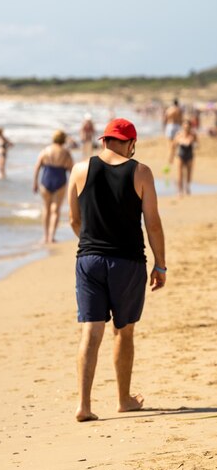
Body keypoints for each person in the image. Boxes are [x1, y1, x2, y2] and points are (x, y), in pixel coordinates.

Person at [68, 118, 166, 422]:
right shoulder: (141, 172)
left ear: (104, 141)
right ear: (131, 143)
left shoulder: (80, 169)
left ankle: (83, 405)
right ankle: (123, 400)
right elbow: (152, 222)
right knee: (123, 331)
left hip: (89, 261)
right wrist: (160, 264)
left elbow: (73, 220)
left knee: (91, 331)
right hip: (128, 262)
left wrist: (94, 242)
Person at [33, 130, 74, 243]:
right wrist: (73, 186)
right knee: (56, 210)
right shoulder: (66, 152)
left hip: (46, 179)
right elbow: (72, 169)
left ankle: (45, 236)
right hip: (60, 180)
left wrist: (35, 183)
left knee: (46, 208)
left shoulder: (46, 150)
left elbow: (37, 167)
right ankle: (52, 236)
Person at [169, 118, 198, 196]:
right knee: (180, 174)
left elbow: (197, 144)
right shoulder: (179, 134)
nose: (186, 128)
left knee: (189, 173)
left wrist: (194, 144)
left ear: (190, 127)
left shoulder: (193, 135)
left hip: (190, 155)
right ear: (182, 126)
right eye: (185, 126)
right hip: (180, 155)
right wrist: (171, 157)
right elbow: (173, 146)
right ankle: (179, 190)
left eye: (188, 126)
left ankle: (187, 187)